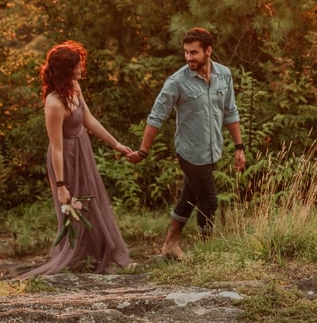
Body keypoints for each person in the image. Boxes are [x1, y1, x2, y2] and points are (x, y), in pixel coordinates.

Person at [127, 27, 246, 259]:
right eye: (186, 52)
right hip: (190, 152)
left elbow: (231, 112)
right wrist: (143, 151)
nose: (189, 57)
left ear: (208, 51)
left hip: (213, 150)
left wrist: (239, 147)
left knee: (189, 198)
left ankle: (170, 245)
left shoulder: (224, 75)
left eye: (194, 53)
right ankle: (207, 251)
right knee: (209, 201)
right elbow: (156, 116)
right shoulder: (177, 82)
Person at [21, 40, 132, 276]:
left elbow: (89, 121)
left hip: (83, 150)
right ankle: (76, 257)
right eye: (78, 66)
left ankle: (96, 255)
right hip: (65, 159)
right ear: (66, 69)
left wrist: (116, 144)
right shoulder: (54, 102)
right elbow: (56, 147)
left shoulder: (74, 88)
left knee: (91, 203)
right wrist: (60, 185)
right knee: (74, 207)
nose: (82, 69)